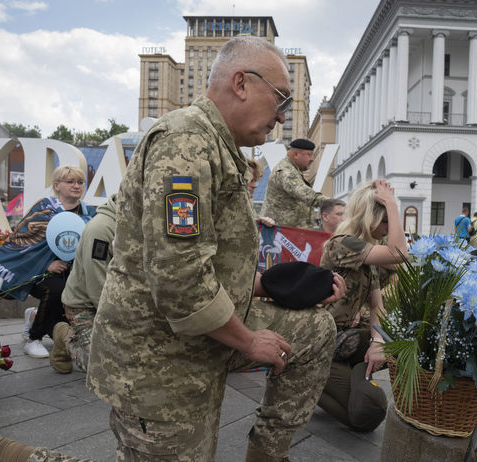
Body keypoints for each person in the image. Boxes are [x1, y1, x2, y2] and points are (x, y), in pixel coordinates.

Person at [84, 36, 344, 462]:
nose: (281, 118)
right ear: (240, 83)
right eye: (279, 99)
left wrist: (285, 286)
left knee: (315, 331)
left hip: (201, 334)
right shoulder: (185, 142)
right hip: (160, 358)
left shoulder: (219, 146)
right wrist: (247, 341)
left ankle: (267, 452)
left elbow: (215, 261)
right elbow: (179, 278)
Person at [318, 179, 408, 432]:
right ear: (370, 217)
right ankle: (305, 383)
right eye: (386, 221)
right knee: (366, 415)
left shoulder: (369, 253)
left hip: (347, 339)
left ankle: (354, 369)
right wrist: (391, 203)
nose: (389, 228)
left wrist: (378, 343)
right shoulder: (342, 244)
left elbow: (378, 305)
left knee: (394, 349)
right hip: (322, 342)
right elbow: (400, 254)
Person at [0, 166, 96, 358]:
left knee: (69, 294)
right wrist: (45, 265)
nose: (76, 186)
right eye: (70, 182)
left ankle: (34, 316)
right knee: (56, 290)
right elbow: (22, 241)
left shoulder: (88, 213)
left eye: (80, 182)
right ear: (57, 185)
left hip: (73, 271)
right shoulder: (44, 208)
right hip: (33, 270)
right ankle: (33, 339)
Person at [50, 194, 118, 374]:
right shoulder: (102, 230)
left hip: (119, 301)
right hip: (85, 305)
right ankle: (65, 336)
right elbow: (97, 286)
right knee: (103, 369)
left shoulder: (136, 222)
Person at [261, 138, 326, 228]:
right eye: (309, 155)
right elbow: (302, 192)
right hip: (281, 234)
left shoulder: (293, 170)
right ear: (296, 154)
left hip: (287, 232)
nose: (312, 159)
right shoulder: (286, 171)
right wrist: (329, 202)